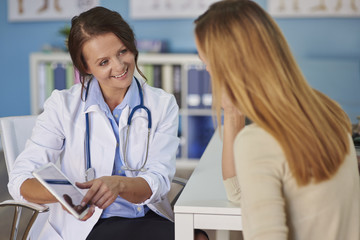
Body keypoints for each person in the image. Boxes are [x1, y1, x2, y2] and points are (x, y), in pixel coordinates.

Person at [8, 6, 181, 240]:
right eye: (103, 62)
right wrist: (70, 194)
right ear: (86, 68)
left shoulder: (162, 104)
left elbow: (159, 180)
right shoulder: (63, 105)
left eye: (123, 51)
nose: (119, 66)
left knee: (197, 235)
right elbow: (19, 182)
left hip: (143, 216)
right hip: (86, 224)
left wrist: (120, 185)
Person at [194, 1, 360, 240]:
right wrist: (232, 113)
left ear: (229, 66)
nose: (207, 71)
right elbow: (241, 194)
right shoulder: (329, 111)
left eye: (207, 62)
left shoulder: (258, 141)